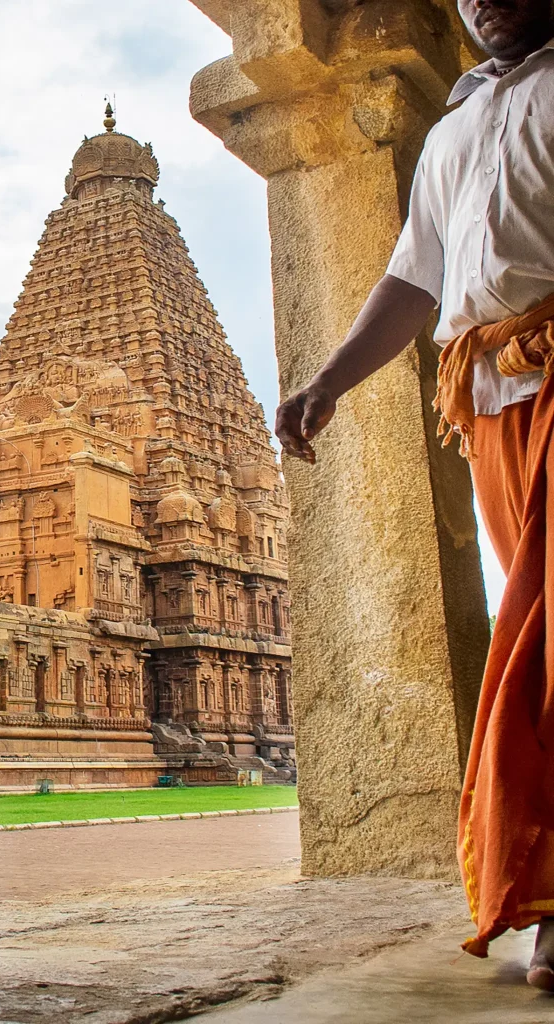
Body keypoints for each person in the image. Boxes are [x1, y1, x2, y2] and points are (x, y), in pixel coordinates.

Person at [275, 0, 554, 992]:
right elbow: (413, 278)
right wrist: (325, 380)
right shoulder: (452, 128)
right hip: (487, 398)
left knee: (541, 634)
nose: (483, 0)